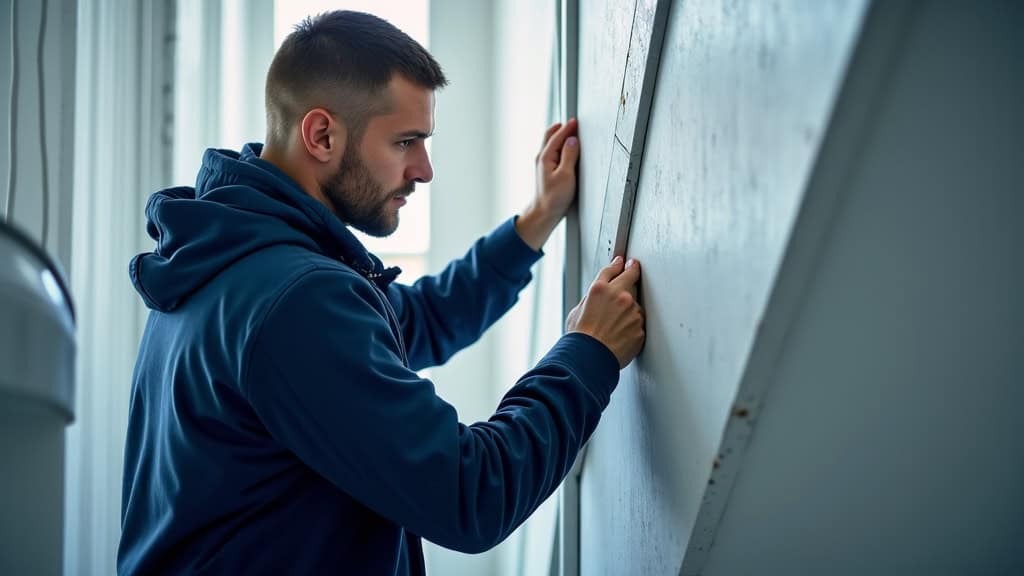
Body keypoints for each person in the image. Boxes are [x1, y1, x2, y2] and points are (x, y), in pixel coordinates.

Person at [118, 10, 644, 575]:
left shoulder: (231, 264)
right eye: (405, 141)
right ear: (322, 134)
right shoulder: (294, 300)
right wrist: (588, 353)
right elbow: (471, 495)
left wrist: (537, 219)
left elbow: (417, 320)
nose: (424, 170)